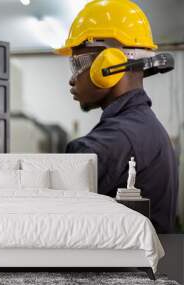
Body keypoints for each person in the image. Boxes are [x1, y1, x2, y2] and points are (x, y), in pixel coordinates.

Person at [57, 0, 178, 233]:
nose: (72, 79)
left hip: (126, 267)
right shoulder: (142, 125)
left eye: (77, 64)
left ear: (109, 64)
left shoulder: (119, 138)